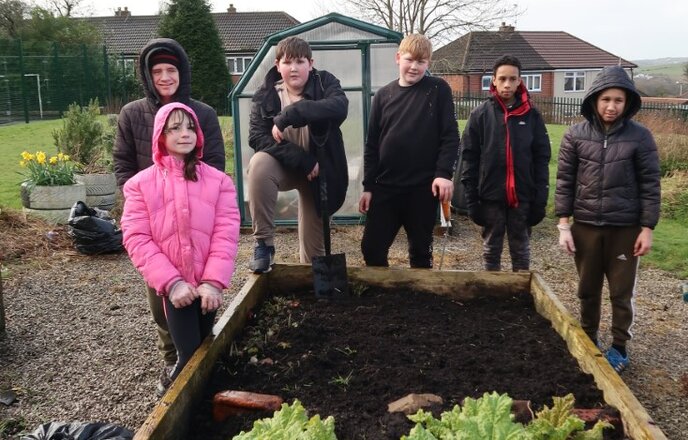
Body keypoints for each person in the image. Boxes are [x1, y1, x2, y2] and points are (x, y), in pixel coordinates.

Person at [113, 38, 226, 395]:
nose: (164, 77)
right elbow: (123, 164)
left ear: (182, 73)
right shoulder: (132, 114)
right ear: (147, 76)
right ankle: (174, 358)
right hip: (156, 222)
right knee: (165, 298)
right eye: (157, 71)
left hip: (197, 216)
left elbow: (217, 168)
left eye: (171, 70)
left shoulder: (203, 114)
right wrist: (142, 200)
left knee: (202, 304)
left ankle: (198, 359)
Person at [121, 102, 240, 394]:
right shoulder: (140, 185)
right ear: (160, 135)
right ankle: (177, 402)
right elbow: (136, 236)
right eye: (174, 128)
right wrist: (172, 283)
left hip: (206, 288)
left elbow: (225, 235)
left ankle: (203, 398)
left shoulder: (219, 182)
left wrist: (213, 282)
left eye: (189, 127)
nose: (184, 133)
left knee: (203, 346)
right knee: (186, 353)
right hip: (175, 290)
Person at [554, 65, 661, 373]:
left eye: (618, 100)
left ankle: (619, 347)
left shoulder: (640, 137)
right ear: (593, 100)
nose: (611, 106)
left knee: (620, 292)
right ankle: (588, 338)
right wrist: (564, 225)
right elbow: (564, 181)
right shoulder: (575, 135)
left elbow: (650, 184)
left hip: (625, 229)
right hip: (586, 226)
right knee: (587, 289)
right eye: (605, 99)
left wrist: (647, 228)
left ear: (627, 103)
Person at [247, 36, 348, 273]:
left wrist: (289, 115)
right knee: (258, 164)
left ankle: (315, 289)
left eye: (300, 61)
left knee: (315, 254)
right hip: (286, 167)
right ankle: (264, 244)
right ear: (277, 65)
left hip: (318, 172)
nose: (294, 68)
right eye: (288, 62)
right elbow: (257, 138)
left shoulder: (325, 83)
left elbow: (339, 106)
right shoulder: (265, 95)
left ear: (310, 64)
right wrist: (302, 159)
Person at [359, 33, 459, 268]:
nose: (414, 67)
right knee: (372, 248)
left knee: (421, 251)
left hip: (422, 188)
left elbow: (450, 136)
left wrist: (443, 174)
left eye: (421, 62)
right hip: (386, 188)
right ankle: (383, 294)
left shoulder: (437, 89)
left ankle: (420, 300)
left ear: (428, 64)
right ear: (398, 58)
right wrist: (368, 187)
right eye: (409, 59)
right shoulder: (383, 96)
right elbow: (372, 144)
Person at [460, 55, 551, 272]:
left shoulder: (532, 116)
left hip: (522, 196)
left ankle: (520, 294)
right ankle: (492, 293)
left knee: (521, 250)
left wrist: (540, 199)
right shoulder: (480, 115)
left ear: (520, 81)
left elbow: (541, 159)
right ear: (493, 80)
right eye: (502, 79)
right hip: (491, 195)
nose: (507, 84)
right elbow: (469, 158)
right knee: (491, 250)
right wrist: (472, 201)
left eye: (512, 79)